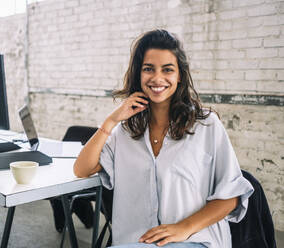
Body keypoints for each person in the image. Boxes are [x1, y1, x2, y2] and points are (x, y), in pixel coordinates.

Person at [73, 29, 254, 248]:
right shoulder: (126, 131)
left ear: (179, 76)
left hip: (195, 240)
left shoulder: (206, 125)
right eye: (149, 69)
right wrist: (110, 122)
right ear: (138, 74)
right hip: (136, 241)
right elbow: (82, 169)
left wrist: (183, 228)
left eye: (167, 70)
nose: (157, 78)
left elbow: (231, 196)